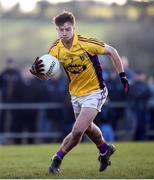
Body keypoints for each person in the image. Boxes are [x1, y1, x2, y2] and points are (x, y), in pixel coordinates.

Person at [30, 11, 129, 174]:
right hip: (75, 94)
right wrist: (37, 73)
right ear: (57, 30)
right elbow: (46, 76)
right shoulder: (55, 49)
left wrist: (123, 76)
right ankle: (105, 150)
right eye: (60, 30)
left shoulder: (86, 43)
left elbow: (113, 51)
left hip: (95, 91)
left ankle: (57, 159)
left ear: (73, 28)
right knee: (87, 127)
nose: (64, 33)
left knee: (77, 130)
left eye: (67, 29)